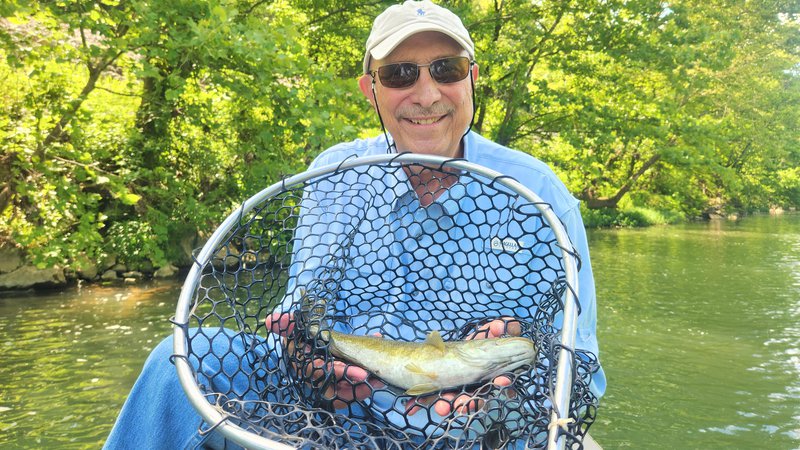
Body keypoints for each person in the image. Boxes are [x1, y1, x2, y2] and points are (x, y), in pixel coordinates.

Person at [104, 1, 605, 448]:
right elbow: (305, 312)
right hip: (329, 409)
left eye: (446, 69)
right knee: (178, 364)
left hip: (474, 430)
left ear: (472, 77)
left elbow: (578, 364)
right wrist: (303, 349)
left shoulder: (540, 195)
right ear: (371, 90)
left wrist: (513, 384)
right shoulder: (336, 176)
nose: (427, 94)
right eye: (401, 74)